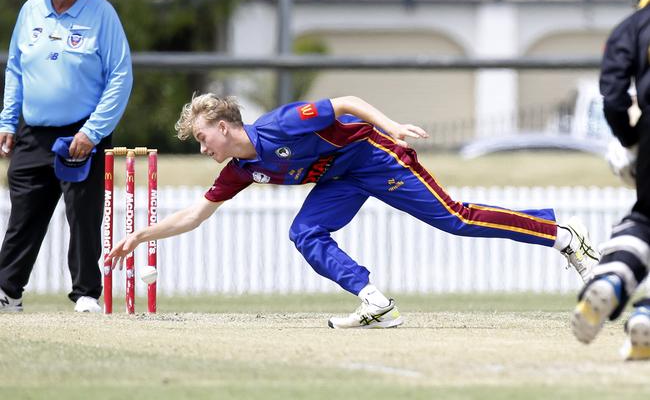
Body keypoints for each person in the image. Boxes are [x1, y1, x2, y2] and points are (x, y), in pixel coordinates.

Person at [109, 93, 597, 328]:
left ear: (222, 123)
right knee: (304, 232)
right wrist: (141, 236)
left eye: (201, 138)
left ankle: (561, 235)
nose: (202, 149)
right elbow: (194, 215)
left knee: (457, 219)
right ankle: (375, 302)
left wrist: (391, 125)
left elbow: (345, 103)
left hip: (373, 155)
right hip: (341, 180)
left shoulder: (280, 125)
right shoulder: (239, 170)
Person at [0, 0, 133, 313]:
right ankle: (8, 291)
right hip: (33, 131)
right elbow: (15, 69)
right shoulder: (30, 11)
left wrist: (93, 131)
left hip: (81, 131)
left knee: (83, 214)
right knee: (23, 213)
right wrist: (7, 120)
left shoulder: (101, 13)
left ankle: (86, 293)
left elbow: (120, 76)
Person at [571, 0, 650, 360]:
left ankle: (613, 278)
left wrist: (631, 140)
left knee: (645, 218)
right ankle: (647, 319)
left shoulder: (629, 30)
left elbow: (614, 97)